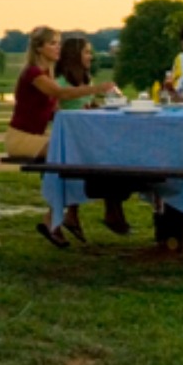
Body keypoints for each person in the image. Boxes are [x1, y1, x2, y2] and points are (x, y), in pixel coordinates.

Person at [5, 26, 119, 248]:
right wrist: (97, 88)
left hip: (37, 136)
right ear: (39, 48)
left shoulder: (47, 73)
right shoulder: (33, 74)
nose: (58, 47)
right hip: (21, 138)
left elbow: (55, 109)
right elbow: (61, 94)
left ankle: (61, 218)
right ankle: (57, 218)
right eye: (52, 43)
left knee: (73, 158)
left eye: (58, 43)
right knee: (69, 156)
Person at [55, 36, 131, 240]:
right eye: (87, 52)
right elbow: (62, 102)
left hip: (87, 136)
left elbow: (88, 104)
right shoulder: (61, 81)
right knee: (109, 159)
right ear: (75, 55)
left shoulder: (86, 78)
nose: (91, 56)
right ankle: (111, 210)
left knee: (116, 154)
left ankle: (106, 210)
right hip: (72, 139)